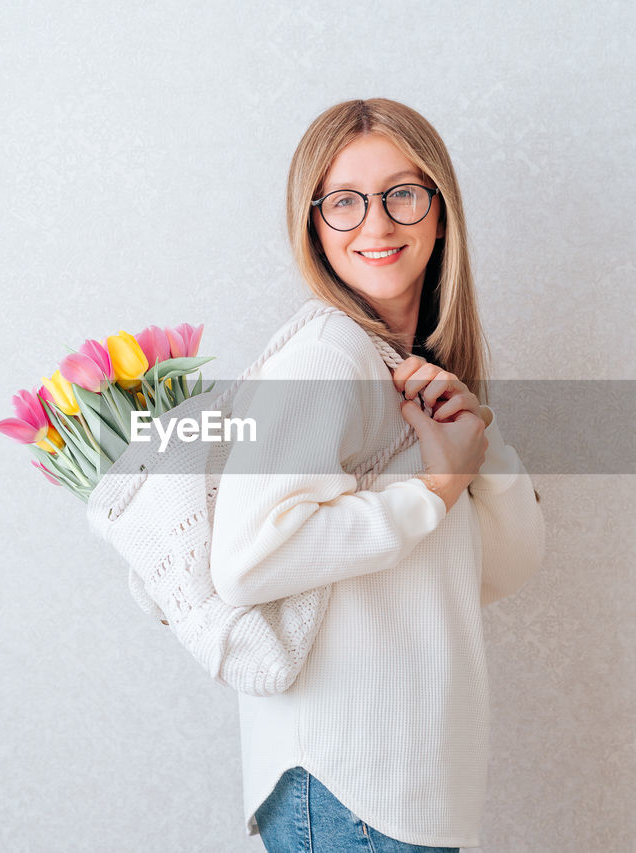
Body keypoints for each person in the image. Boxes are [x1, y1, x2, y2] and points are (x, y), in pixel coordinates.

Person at [210, 98, 546, 853]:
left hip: (401, 789)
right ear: (313, 224)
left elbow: (498, 569)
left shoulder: (409, 369)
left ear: (439, 208)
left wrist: (476, 455)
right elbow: (246, 559)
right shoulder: (328, 356)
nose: (378, 224)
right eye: (345, 202)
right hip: (350, 785)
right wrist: (431, 493)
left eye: (402, 193)